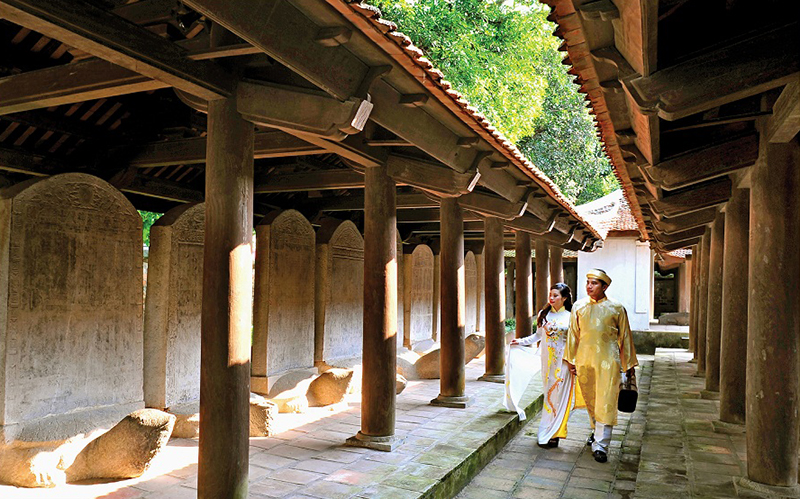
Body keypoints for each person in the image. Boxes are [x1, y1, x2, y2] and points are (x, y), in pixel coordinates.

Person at [564, 269, 637, 463]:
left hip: (609, 362)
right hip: (584, 360)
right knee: (591, 399)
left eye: (594, 283)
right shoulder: (578, 306)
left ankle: (601, 445)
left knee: (606, 401)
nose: (589, 286)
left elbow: (625, 337)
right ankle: (596, 432)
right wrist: (571, 360)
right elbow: (573, 335)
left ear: (605, 286)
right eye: (588, 282)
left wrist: (628, 363)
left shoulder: (617, 308)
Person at [510, 283, 579, 448]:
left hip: (563, 363)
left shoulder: (572, 316)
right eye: (551, 295)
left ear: (564, 298)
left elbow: (576, 342)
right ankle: (546, 430)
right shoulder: (544, 314)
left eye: (556, 295)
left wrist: (573, 362)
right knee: (549, 398)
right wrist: (519, 341)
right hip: (547, 364)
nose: (552, 298)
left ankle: (555, 433)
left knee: (560, 398)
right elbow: (537, 336)